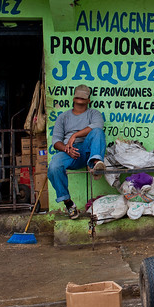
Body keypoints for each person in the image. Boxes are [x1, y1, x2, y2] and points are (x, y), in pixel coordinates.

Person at [48, 84, 106, 219]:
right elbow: (56, 141)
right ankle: (69, 204)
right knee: (54, 166)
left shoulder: (94, 113)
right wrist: (66, 149)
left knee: (97, 131)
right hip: (70, 153)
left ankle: (96, 163)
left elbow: (97, 126)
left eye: (83, 96)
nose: (80, 98)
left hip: (88, 150)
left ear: (88, 100)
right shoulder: (63, 117)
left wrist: (75, 136)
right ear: (74, 98)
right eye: (78, 95)